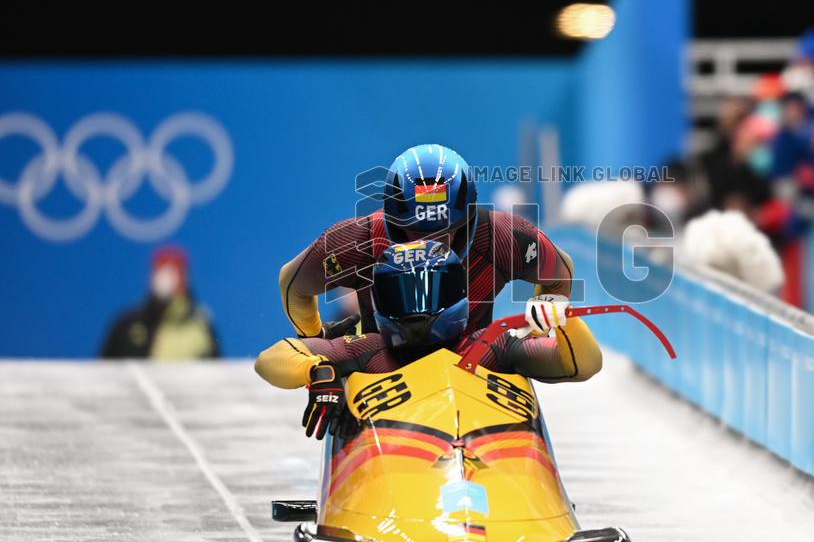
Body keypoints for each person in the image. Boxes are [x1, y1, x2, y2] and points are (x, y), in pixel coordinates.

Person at [256, 241, 601, 438]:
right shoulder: (369, 349)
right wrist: (318, 372)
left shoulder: (493, 345)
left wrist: (565, 321)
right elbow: (271, 359)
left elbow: (583, 363)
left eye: (430, 292)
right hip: (391, 467)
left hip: (490, 458)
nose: (418, 311)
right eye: (402, 295)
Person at [278, 143, 575, 343]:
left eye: (443, 232)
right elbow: (293, 282)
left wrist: (541, 326)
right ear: (393, 222)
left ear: (467, 222)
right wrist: (314, 341)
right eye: (416, 232)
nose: (429, 246)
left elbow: (559, 275)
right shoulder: (360, 239)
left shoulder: (503, 237)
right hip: (382, 371)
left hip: (476, 368)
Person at [100, 245, 220, 359]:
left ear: (184, 278)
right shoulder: (127, 325)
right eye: (160, 270)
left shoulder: (201, 327)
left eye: (172, 272)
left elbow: (217, 374)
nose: (164, 279)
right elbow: (104, 371)